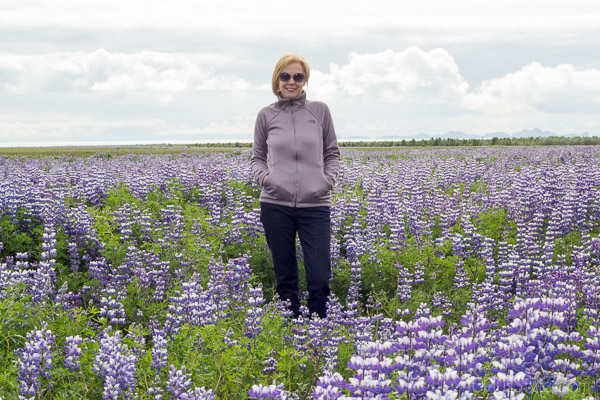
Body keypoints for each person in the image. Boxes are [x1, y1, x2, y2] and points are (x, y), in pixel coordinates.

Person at [251, 53, 340, 318]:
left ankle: (319, 336)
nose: (292, 81)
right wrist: (267, 180)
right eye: (285, 76)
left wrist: (327, 182)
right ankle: (289, 337)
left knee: (320, 277)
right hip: (275, 204)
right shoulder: (266, 115)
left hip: (316, 204)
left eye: (298, 76)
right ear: (277, 80)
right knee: (285, 277)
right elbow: (256, 157)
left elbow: (332, 153)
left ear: (305, 80)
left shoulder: (320, 110)